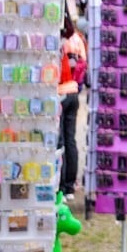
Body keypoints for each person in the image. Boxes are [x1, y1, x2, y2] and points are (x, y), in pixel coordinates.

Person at [58, 28, 87, 200]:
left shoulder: (58, 38)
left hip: (59, 92)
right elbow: (83, 64)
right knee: (70, 139)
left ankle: (60, 186)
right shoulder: (77, 38)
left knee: (59, 141)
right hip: (73, 91)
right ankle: (70, 186)